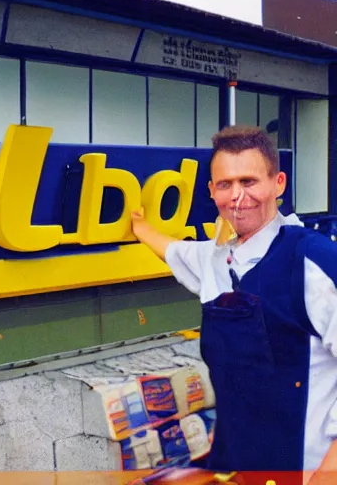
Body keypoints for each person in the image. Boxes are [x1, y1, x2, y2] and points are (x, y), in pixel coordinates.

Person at [131, 126, 337, 484]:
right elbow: (174, 251)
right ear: (212, 191)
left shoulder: (313, 262)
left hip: (306, 468)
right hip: (237, 466)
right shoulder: (215, 260)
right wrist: (140, 228)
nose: (238, 197)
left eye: (249, 181)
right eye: (225, 184)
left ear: (279, 183)